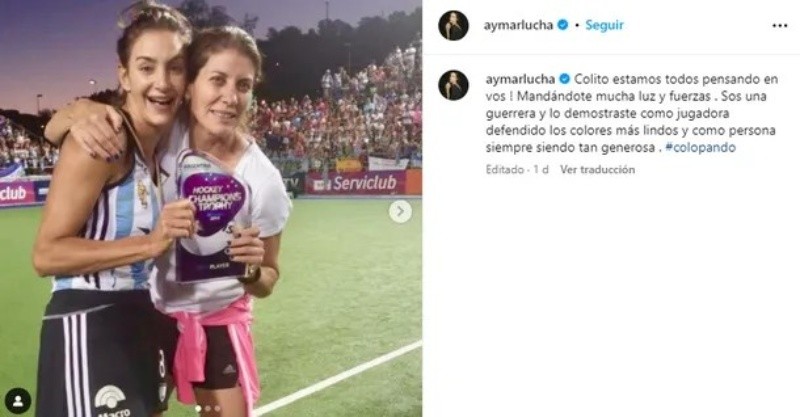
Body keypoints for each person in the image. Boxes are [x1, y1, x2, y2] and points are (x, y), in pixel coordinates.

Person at [46, 26, 291, 417]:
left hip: (216, 323)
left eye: (243, 85)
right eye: (217, 80)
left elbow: (269, 277)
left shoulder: (263, 181)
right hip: (152, 313)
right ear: (191, 85)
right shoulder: (165, 133)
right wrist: (79, 112)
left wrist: (250, 271)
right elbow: (76, 126)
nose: (230, 97)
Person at [32, 2, 195, 416]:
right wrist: (150, 244)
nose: (162, 82)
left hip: (140, 316)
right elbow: (47, 254)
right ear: (124, 75)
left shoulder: (162, 146)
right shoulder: (103, 138)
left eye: (175, 68)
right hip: (89, 321)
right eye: (146, 67)